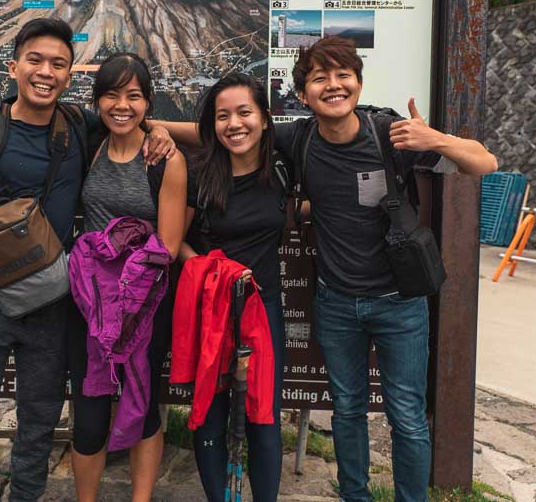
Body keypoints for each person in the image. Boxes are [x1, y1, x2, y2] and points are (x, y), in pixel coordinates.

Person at [156, 37, 497, 502]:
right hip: (336, 302)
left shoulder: (390, 133)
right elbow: (226, 130)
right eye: (320, 78)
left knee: (408, 417)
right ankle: (354, 496)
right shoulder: (301, 138)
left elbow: (484, 163)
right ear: (303, 94)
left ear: (358, 82)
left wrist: (436, 139)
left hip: (400, 302)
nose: (333, 86)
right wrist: (148, 126)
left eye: (342, 76)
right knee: (347, 412)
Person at [0, 18, 173, 502]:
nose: (46, 72)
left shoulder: (78, 125)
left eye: (58, 64)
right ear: (14, 65)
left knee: (40, 416)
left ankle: (26, 495)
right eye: (35, 60)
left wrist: (161, 129)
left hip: (52, 294)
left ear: (70, 75)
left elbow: (125, 119)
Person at [67, 52, 187, 502]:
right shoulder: (89, 142)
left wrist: (120, 258)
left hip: (144, 304)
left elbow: (170, 246)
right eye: (112, 95)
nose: (122, 105)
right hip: (87, 300)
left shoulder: (165, 161)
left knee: (143, 405)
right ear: (97, 101)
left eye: (133, 96)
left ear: (148, 102)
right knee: (90, 411)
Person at [179, 73, 287, 502]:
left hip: (266, 311)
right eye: (222, 116)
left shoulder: (282, 166)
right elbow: (175, 242)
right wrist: (214, 271)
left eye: (244, 113)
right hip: (213, 312)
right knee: (209, 413)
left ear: (263, 118)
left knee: (264, 417)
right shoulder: (199, 175)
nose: (234, 124)